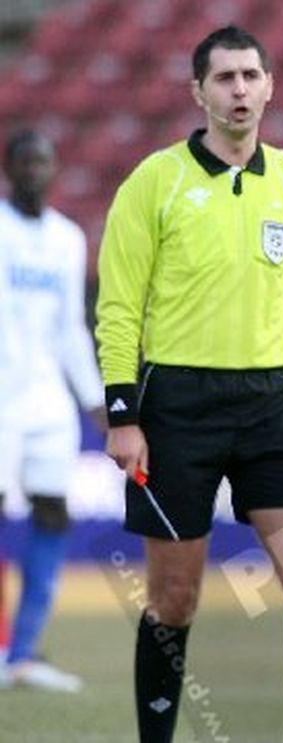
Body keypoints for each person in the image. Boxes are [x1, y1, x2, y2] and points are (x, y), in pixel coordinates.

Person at [94, 26, 283, 743]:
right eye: (225, 79)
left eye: (250, 76)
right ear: (199, 93)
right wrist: (123, 411)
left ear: (270, 85)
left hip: (272, 404)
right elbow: (118, 305)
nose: (239, 90)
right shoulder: (155, 181)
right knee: (174, 598)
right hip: (177, 408)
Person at [0, 130, 104, 692]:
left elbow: (70, 328)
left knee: (51, 513)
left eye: (44, 162)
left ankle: (24, 653)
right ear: (9, 168)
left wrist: (94, 400)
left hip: (47, 401)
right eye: (25, 162)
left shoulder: (67, 239)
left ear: (55, 170)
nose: (35, 171)